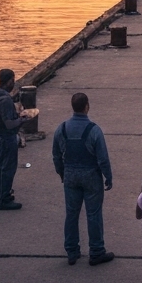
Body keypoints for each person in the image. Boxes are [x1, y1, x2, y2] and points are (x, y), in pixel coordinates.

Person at [51, 92, 115, 266]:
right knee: (93, 214)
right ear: (87, 106)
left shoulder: (61, 128)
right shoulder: (94, 130)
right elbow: (102, 158)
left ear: (73, 106)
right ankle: (96, 251)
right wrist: (108, 176)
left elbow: (56, 155)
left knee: (71, 214)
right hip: (91, 175)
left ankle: (72, 251)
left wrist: (61, 172)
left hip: (70, 174)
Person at [0, 69, 33, 210]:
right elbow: (9, 124)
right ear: (9, 81)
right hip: (6, 138)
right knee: (8, 168)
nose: (13, 83)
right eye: (13, 81)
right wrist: (22, 119)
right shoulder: (5, 99)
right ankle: (5, 199)